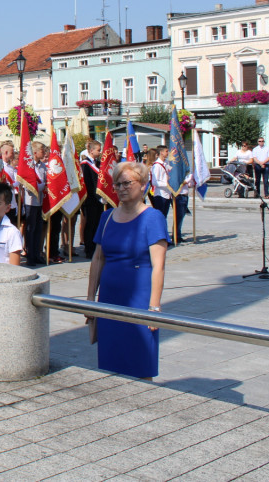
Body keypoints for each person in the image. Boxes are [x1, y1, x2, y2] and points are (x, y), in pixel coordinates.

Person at [86, 161, 170, 379]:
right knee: (110, 362)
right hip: (109, 298)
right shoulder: (106, 218)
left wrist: (154, 307)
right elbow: (97, 259)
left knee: (140, 360)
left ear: (143, 185)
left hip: (139, 299)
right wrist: (89, 299)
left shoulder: (153, 218)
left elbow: (158, 265)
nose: (121, 188)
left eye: (127, 183)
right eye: (117, 185)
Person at [22, 141, 48, 265]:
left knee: (38, 229)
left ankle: (37, 253)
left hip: (40, 201)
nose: (44, 153)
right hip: (30, 201)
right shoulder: (29, 166)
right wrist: (42, 186)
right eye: (42, 151)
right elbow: (28, 185)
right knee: (30, 229)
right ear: (35, 152)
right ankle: (30, 255)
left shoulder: (43, 166)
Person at [80, 141, 103, 258]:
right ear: (91, 150)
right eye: (98, 150)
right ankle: (89, 249)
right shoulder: (85, 164)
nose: (100, 152)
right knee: (90, 224)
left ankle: (95, 247)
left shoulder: (98, 163)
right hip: (90, 199)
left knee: (97, 224)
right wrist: (97, 196)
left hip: (98, 199)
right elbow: (87, 184)